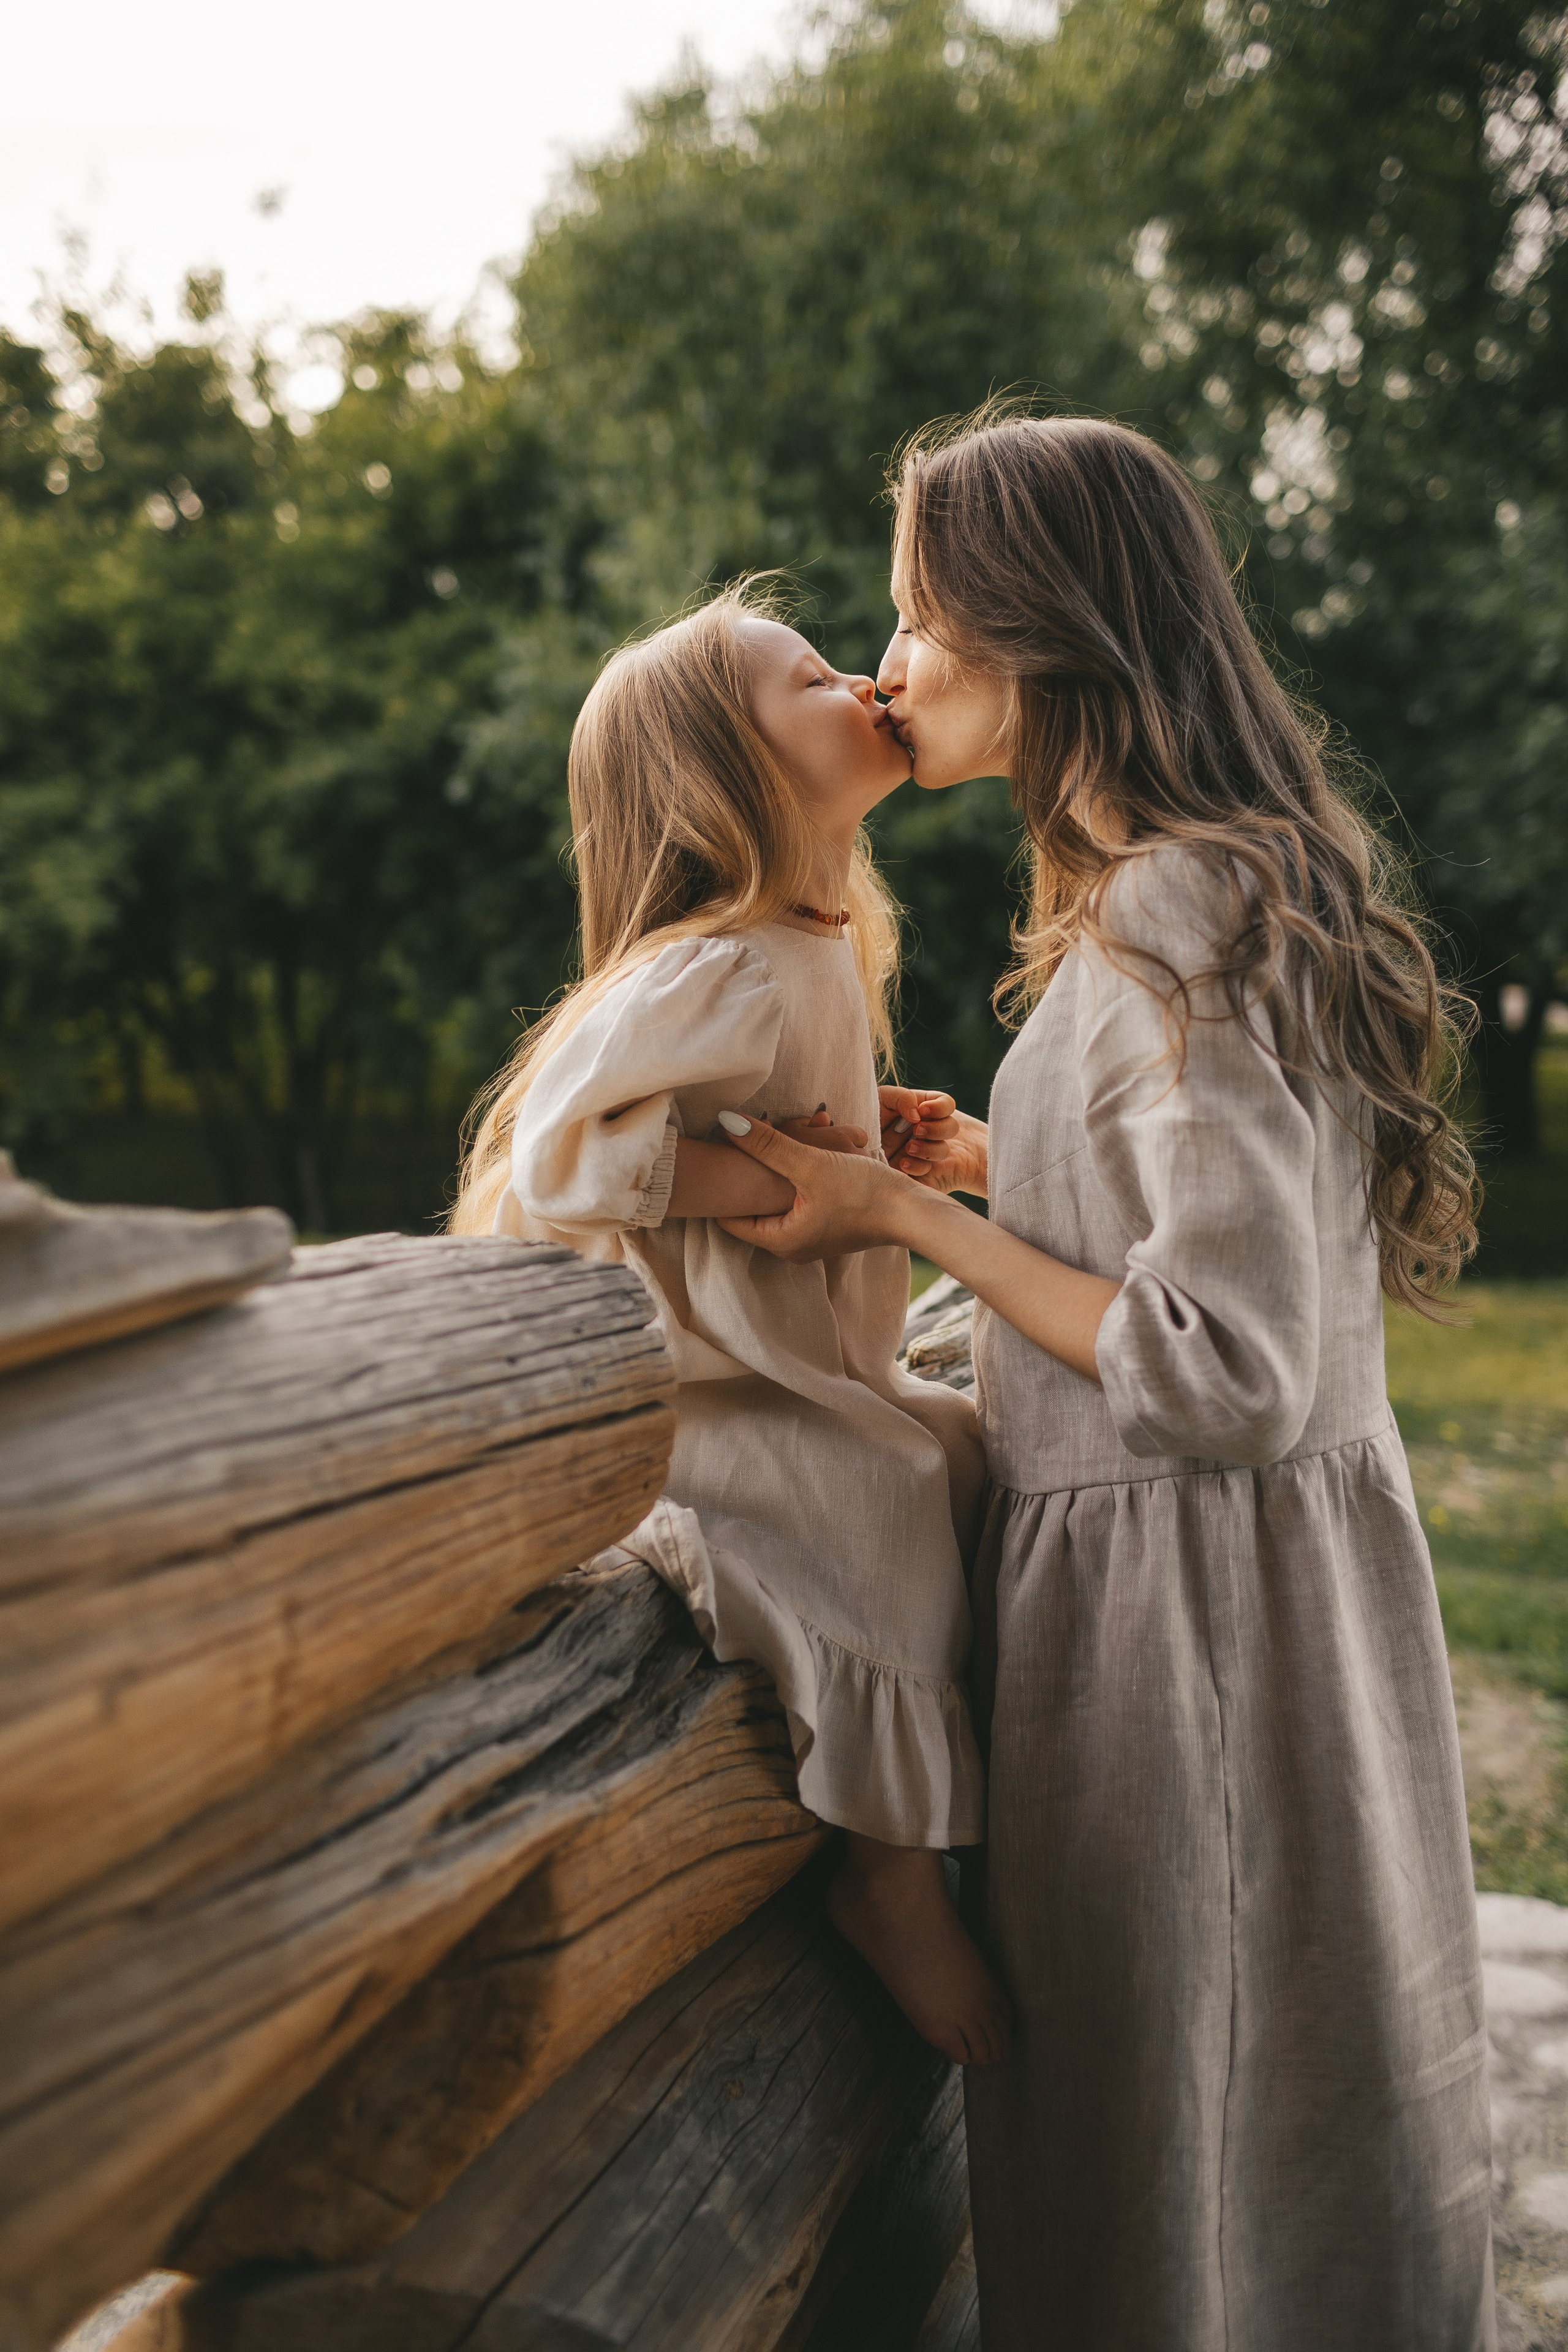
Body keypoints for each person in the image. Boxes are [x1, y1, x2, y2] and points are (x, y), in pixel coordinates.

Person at [710, 417, 1495, 2351]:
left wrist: (906, 1212)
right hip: (1249, 1601)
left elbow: (1221, 1366)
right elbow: (1204, 1241)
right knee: (1284, 2122)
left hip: (1192, 1635)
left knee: (1160, 2154)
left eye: (920, 616)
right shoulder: (1210, 889)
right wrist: (1008, 1170)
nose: (891, 666)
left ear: (1048, 631)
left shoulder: (1178, 913)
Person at [450, 584, 1011, 2066]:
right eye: (812, 678)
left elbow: (760, 1120)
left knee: (956, 1452)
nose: (859, 684)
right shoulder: (723, 957)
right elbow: (564, 1159)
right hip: (714, 1402)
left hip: (806, 1366)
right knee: (888, 1503)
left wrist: (858, 1147)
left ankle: (975, 1788)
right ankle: (885, 1878)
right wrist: (762, 1170)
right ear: (730, 774)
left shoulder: (815, 940)